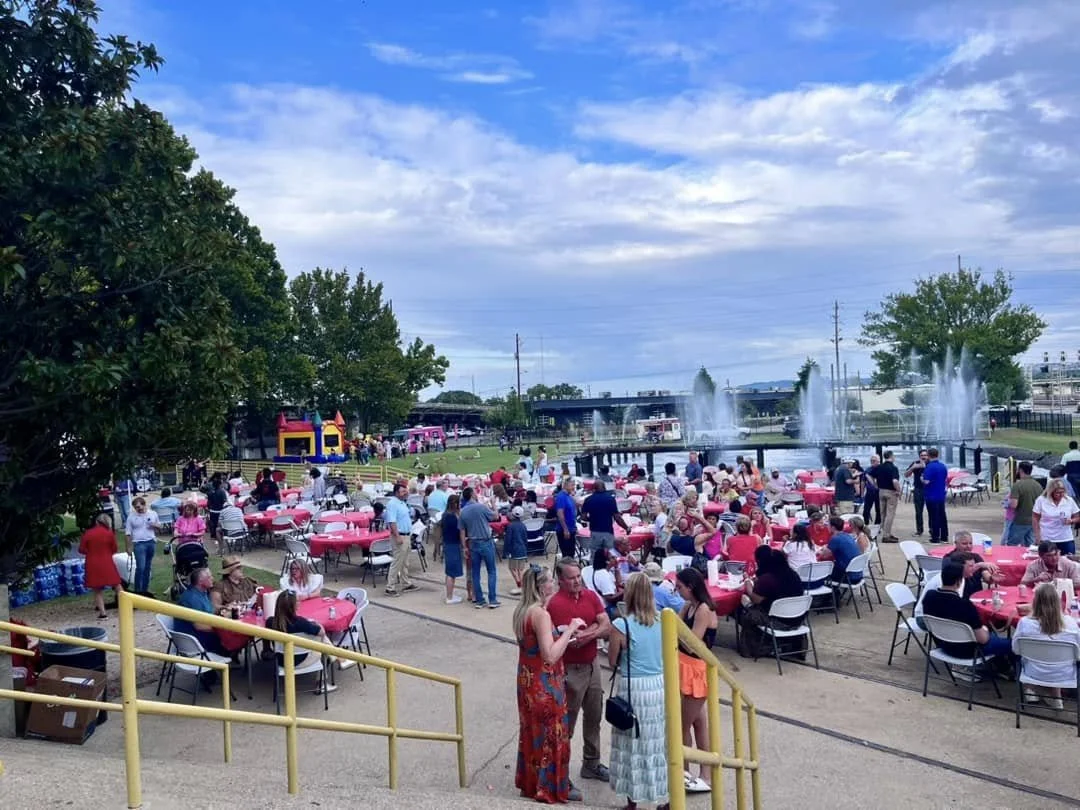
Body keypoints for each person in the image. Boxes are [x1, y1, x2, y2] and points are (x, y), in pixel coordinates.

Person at [513, 565, 587, 804]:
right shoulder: (540, 615)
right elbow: (550, 655)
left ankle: (532, 782)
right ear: (540, 586)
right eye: (549, 582)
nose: (553, 585)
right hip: (545, 684)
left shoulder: (522, 612)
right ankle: (550, 786)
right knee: (551, 734)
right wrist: (571, 630)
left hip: (527, 682)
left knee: (532, 732)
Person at [546, 558, 612, 787]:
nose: (577, 581)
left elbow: (607, 625)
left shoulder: (591, 596)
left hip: (592, 665)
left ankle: (591, 763)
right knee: (567, 722)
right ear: (560, 580)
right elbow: (554, 639)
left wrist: (588, 634)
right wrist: (592, 629)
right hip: (569, 670)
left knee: (594, 716)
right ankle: (560, 771)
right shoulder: (553, 605)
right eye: (571, 578)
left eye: (578, 577)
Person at [607, 572, 669, 810]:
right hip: (658, 685)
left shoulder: (621, 625)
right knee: (658, 743)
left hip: (634, 688)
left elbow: (613, 661)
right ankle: (664, 797)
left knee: (631, 744)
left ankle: (632, 801)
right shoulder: (663, 620)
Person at [673, 568, 716, 793]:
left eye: (679, 587)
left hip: (696, 669)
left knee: (682, 725)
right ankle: (699, 773)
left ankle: (688, 772)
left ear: (690, 587)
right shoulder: (688, 606)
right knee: (698, 723)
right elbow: (676, 628)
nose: (677, 591)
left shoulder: (703, 610)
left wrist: (676, 634)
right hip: (685, 666)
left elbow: (692, 643)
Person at [921, 561, 1012, 661]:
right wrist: (985, 629)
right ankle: (1008, 670)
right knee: (1015, 645)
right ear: (958, 582)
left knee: (993, 636)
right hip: (969, 650)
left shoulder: (929, 596)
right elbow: (983, 639)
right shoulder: (965, 606)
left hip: (943, 644)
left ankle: (998, 666)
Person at [1013, 583, 1080, 710]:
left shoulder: (1025, 623)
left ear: (1034, 602)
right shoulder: (1071, 624)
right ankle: (1054, 695)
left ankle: (1032, 689)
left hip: (1033, 672)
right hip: (1064, 674)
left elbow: (1016, 649)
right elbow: (1078, 653)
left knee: (1022, 658)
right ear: (1058, 602)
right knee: (1055, 659)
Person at [738, 547, 806, 656]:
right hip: (797, 619)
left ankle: (753, 648)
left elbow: (755, 599)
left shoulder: (768, 579)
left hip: (777, 620)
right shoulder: (793, 575)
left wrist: (747, 582)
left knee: (745, 612)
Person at [270, 590, 337, 688]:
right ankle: (321, 683)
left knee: (321, 641)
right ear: (293, 606)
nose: (300, 602)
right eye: (297, 601)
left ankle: (336, 656)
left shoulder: (270, 622)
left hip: (280, 659)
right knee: (323, 644)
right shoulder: (301, 623)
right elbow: (322, 633)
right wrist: (318, 624)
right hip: (300, 661)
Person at [460, 486, 500, 608]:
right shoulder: (481, 507)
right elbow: (495, 516)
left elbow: (461, 530)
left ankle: (479, 599)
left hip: (472, 542)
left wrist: (464, 547)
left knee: (475, 572)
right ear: (472, 494)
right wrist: (493, 504)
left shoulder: (463, 511)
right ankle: (492, 599)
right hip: (485, 541)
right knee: (491, 570)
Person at [174, 567, 228, 655]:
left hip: (199, 634)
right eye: (209, 577)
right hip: (194, 640)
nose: (213, 579)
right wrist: (224, 628)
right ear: (200, 581)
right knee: (233, 636)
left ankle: (230, 657)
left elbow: (209, 612)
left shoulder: (202, 592)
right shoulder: (191, 598)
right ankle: (226, 660)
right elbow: (199, 626)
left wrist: (225, 609)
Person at [79, 513, 122, 618]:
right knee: (117, 585)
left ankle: (103, 613)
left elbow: (81, 549)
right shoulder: (109, 533)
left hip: (92, 562)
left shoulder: (88, 533)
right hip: (107, 561)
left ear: (96, 522)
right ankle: (125, 605)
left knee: (97, 589)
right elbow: (114, 548)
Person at [384, 482, 418, 597]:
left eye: (406, 491)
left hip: (407, 535)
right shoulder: (392, 504)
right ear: (397, 493)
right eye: (403, 491)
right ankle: (390, 586)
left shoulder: (403, 503)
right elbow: (392, 521)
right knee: (397, 562)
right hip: (400, 536)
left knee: (405, 561)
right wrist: (397, 536)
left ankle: (405, 582)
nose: (406, 493)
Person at [1033, 477, 1080, 554]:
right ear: (1051, 492)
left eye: (1062, 492)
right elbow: (1035, 518)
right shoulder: (1041, 500)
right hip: (1047, 538)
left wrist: (1071, 521)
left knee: (1069, 562)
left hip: (1065, 538)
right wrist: (1037, 536)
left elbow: (1077, 517)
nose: (1061, 495)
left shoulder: (1069, 500)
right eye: (1058, 493)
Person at [581, 480, 630, 552]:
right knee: (610, 555)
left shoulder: (588, 500)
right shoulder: (610, 499)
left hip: (595, 531)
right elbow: (617, 518)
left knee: (595, 556)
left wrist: (592, 519)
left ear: (594, 489)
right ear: (605, 488)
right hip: (608, 532)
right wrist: (626, 528)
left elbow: (583, 517)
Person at [125, 496, 160, 596]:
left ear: (144, 504)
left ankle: (145, 589)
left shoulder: (153, 514)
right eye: (136, 508)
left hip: (151, 542)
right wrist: (128, 547)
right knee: (141, 567)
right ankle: (138, 590)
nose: (138, 509)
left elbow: (159, 527)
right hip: (139, 543)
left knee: (148, 567)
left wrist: (154, 525)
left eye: (139, 507)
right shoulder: (131, 517)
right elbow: (128, 533)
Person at [1008, 461, 1046, 547]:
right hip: (1035, 520)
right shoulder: (1038, 486)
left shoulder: (1017, 485)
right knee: (1030, 546)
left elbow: (1014, 505)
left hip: (1020, 520)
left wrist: (1008, 503)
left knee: (1012, 544)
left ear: (1020, 470)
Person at [819, 516, 862, 585]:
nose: (827, 527)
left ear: (833, 528)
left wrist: (821, 550)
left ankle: (829, 593)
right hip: (858, 574)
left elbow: (824, 556)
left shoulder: (835, 539)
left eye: (828, 525)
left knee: (821, 571)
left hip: (848, 577)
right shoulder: (848, 536)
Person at [583, 547, 623, 619]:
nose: (616, 559)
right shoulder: (604, 575)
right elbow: (609, 598)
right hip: (606, 609)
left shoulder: (598, 570)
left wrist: (617, 567)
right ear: (607, 561)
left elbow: (618, 583)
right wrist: (626, 591)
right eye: (612, 557)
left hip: (600, 607)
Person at [439, 493, 465, 604]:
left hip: (448, 543)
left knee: (450, 571)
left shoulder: (445, 515)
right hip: (453, 544)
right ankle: (449, 597)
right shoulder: (452, 518)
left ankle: (450, 594)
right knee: (451, 572)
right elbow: (459, 531)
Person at [874, 451, 903, 542]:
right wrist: (899, 490)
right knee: (890, 514)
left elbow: (869, 475)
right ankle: (886, 535)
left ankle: (884, 531)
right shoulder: (893, 468)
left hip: (881, 491)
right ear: (891, 456)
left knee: (883, 513)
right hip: (891, 492)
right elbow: (895, 481)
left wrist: (875, 485)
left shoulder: (879, 467)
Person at [922, 448, 949, 544]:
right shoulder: (943, 466)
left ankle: (935, 537)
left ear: (929, 456)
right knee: (942, 516)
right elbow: (946, 479)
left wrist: (922, 479)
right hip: (941, 495)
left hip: (931, 495)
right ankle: (944, 537)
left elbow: (927, 481)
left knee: (933, 517)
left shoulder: (929, 467)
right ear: (938, 455)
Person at [504, 506, 529, 596]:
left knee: (512, 568)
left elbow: (508, 540)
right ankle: (522, 586)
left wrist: (506, 551)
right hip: (522, 550)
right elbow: (525, 538)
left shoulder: (510, 526)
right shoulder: (523, 525)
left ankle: (519, 584)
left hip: (514, 551)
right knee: (521, 569)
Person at [905, 450, 928, 537]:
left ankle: (933, 530)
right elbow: (906, 475)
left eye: (925, 455)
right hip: (918, 489)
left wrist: (924, 466)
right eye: (922, 455)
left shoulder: (930, 464)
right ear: (919, 456)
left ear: (928, 456)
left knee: (932, 511)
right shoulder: (915, 463)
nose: (924, 457)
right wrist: (913, 467)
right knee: (918, 511)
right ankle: (919, 530)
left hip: (929, 489)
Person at [554, 477, 579, 559]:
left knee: (571, 553)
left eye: (574, 485)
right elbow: (560, 514)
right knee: (567, 554)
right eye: (572, 485)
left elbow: (577, 504)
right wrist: (565, 529)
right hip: (565, 530)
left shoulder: (569, 496)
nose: (573, 487)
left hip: (571, 528)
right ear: (565, 485)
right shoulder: (561, 497)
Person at [206, 474, 229, 543]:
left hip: (212, 510)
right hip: (220, 510)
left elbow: (208, 502)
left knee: (213, 523)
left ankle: (213, 535)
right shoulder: (222, 492)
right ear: (220, 485)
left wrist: (209, 507)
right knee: (220, 523)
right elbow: (224, 501)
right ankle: (221, 534)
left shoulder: (210, 492)